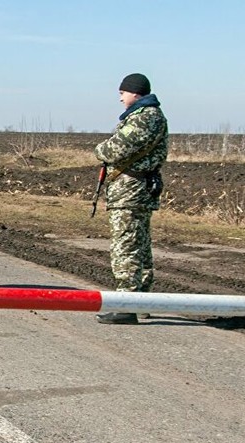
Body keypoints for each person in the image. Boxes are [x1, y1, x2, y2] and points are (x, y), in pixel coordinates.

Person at [94, 73, 169, 324]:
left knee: (127, 244)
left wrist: (100, 148)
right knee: (139, 244)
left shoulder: (146, 117)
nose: (120, 98)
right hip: (133, 189)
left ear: (135, 92)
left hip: (131, 190)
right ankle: (141, 302)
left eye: (122, 93)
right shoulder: (144, 116)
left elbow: (114, 149)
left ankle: (127, 304)